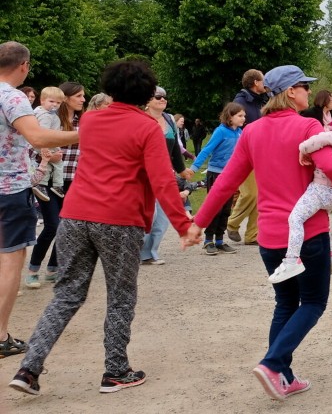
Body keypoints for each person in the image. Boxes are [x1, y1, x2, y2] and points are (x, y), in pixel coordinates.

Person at [8, 59, 198, 396]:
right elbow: (161, 181)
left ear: (109, 87)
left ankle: (28, 369)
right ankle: (115, 371)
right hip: (119, 220)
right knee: (121, 297)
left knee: (66, 295)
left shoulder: (92, 120)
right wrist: (184, 225)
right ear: (146, 92)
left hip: (76, 215)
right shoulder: (147, 127)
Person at [193, 64, 332, 401]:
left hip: (269, 238)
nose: (309, 92)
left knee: (285, 303)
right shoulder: (308, 126)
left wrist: (199, 222)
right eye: (305, 87)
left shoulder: (251, 132)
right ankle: (272, 364)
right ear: (291, 92)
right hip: (307, 234)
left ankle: (285, 376)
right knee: (312, 303)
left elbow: (225, 183)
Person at [0, 42, 80, 359]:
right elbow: (39, 137)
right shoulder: (12, 96)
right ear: (24, 66)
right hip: (8, 190)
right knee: (8, 263)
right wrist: (88, 133)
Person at [270, 102, 332, 283]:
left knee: (296, 218)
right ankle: (330, 254)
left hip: (321, 188)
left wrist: (302, 150)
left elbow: (315, 142)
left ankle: (291, 259)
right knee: (324, 222)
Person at [27, 82, 86, 289]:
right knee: (52, 224)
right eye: (78, 96)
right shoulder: (48, 117)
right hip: (48, 180)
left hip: (73, 180)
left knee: (68, 228)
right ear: (67, 98)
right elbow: (31, 145)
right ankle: (33, 270)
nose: (82, 99)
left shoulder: (82, 121)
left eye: (83, 96)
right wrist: (49, 158)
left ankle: (53, 268)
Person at [138, 86, 192, 265]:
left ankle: (150, 252)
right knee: (149, 215)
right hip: (144, 175)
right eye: (158, 97)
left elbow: (176, 148)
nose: (163, 99)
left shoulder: (169, 119)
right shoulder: (139, 119)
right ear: (147, 101)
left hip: (166, 173)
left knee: (162, 217)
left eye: (164, 97)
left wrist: (181, 169)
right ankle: (137, 251)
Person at [189, 102, 246, 255]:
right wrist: (194, 168)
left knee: (226, 208)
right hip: (216, 174)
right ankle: (208, 240)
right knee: (216, 208)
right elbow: (207, 149)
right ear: (230, 117)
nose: (243, 118)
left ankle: (220, 240)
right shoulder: (220, 131)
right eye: (240, 116)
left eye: (244, 115)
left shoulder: (240, 132)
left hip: (230, 175)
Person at [227, 69, 270, 247]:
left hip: (263, 151)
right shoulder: (240, 102)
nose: (265, 82)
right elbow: (234, 127)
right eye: (263, 79)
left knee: (261, 194)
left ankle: (253, 234)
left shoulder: (264, 100)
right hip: (245, 153)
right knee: (250, 192)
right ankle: (232, 223)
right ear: (255, 83)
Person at [32, 86, 66, 200]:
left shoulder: (38, 111)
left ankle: (41, 184)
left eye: (58, 103)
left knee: (48, 165)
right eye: (51, 101)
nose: (55, 105)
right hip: (47, 144)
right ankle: (58, 185)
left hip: (43, 144)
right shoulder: (45, 116)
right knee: (59, 163)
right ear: (42, 100)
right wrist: (44, 148)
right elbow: (43, 133)